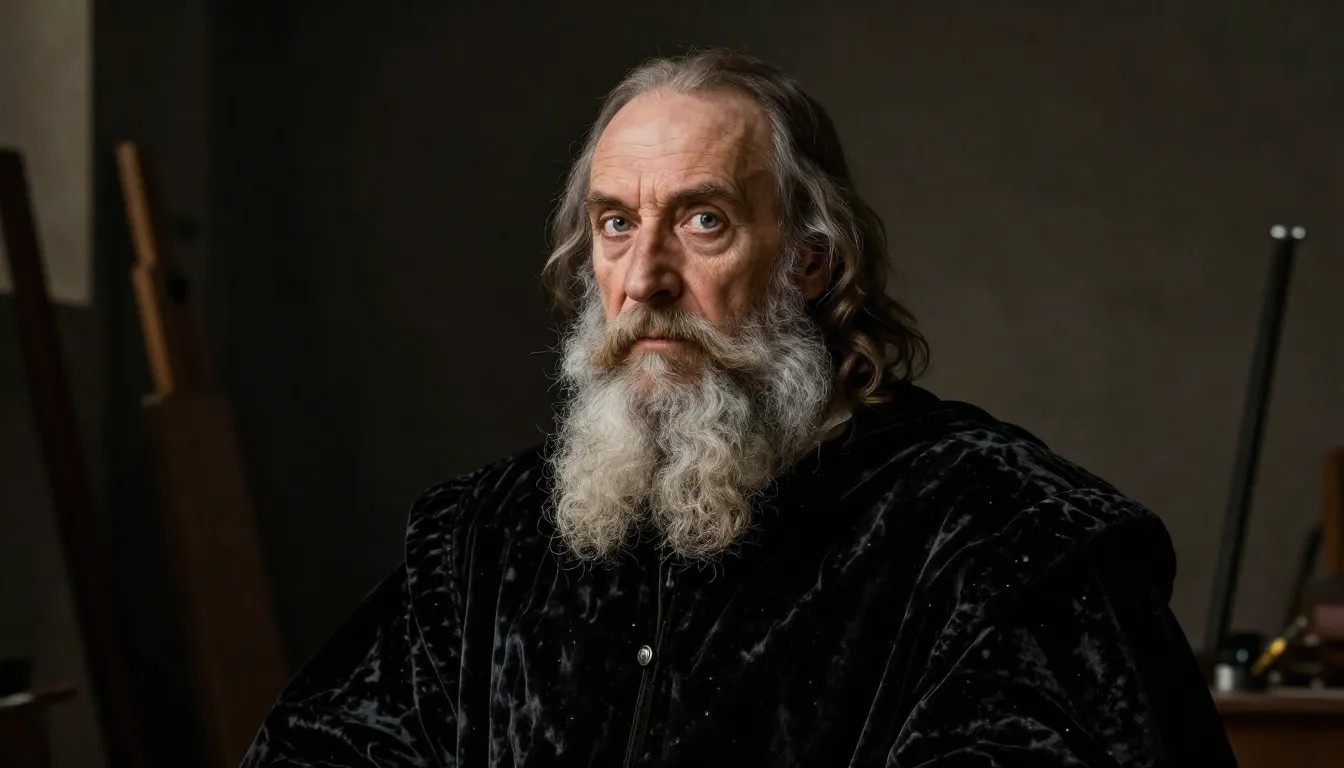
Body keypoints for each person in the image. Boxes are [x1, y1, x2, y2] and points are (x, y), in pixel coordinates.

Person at [241, 48, 1234, 767]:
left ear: (810, 261)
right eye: (616, 223)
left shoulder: (993, 534)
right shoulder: (482, 546)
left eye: (704, 221)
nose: (645, 278)